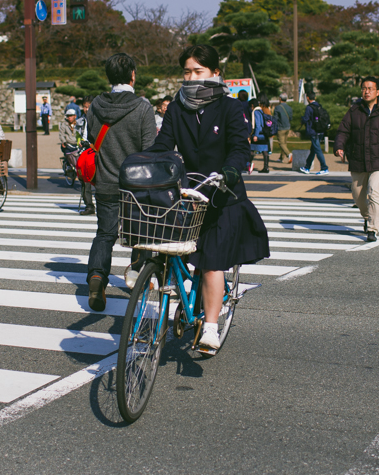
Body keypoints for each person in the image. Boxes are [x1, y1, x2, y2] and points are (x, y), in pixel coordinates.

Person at [147, 44, 269, 350]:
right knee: (169, 247)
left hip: (222, 194)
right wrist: (145, 163)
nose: (191, 78)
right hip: (189, 192)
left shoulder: (230, 108)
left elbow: (240, 148)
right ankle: (190, 295)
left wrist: (230, 170)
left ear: (215, 73)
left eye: (198, 71)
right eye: (187, 72)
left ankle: (211, 327)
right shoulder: (177, 107)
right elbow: (164, 143)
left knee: (212, 263)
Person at [84, 53, 157, 312]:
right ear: (133, 75)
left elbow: (92, 137)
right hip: (135, 186)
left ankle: (96, 277)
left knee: (105, 234)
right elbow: (150, 149)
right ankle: (137, 278)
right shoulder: (142, 107)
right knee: (141, 234)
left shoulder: (95, 105)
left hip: (104, 181)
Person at [334, 76, 379, 243]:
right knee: (357, 195)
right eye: (364, 88)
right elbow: (343, 131)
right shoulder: (354, 111)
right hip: (357, 158)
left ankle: (372, 228)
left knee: (375, 193)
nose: (366, 91)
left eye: (370, 88)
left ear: (378, 92)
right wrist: (339, 146)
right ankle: (367, 216)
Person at [299, 91, 329, 175]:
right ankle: (307, 167)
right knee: (313, 150)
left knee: (317, 149)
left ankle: (324, 167)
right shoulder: (319, 106)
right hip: (320, 131)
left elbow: (306, 119)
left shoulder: (309, 108)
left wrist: (302, 120)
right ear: (315, 98)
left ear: (308, 98)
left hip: (313, 131)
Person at [250, 96, 272, 173]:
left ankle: (248, 165)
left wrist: (255, 135)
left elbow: (258, 125)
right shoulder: (261, 111)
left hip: (258, 134)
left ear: (252, 105)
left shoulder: (255, 112)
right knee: (265, 151)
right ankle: (266, 167)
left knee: (251, 150)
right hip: (264, 134)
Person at [274, 93, 293, 164]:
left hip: (280, 127)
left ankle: (289, 154)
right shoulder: (289, 107)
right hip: (287, 127)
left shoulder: (277, 108)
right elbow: (291, 117)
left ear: (280, 99)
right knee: (284, 143)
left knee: (281, 143)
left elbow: (275, 119)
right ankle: (281, 158)